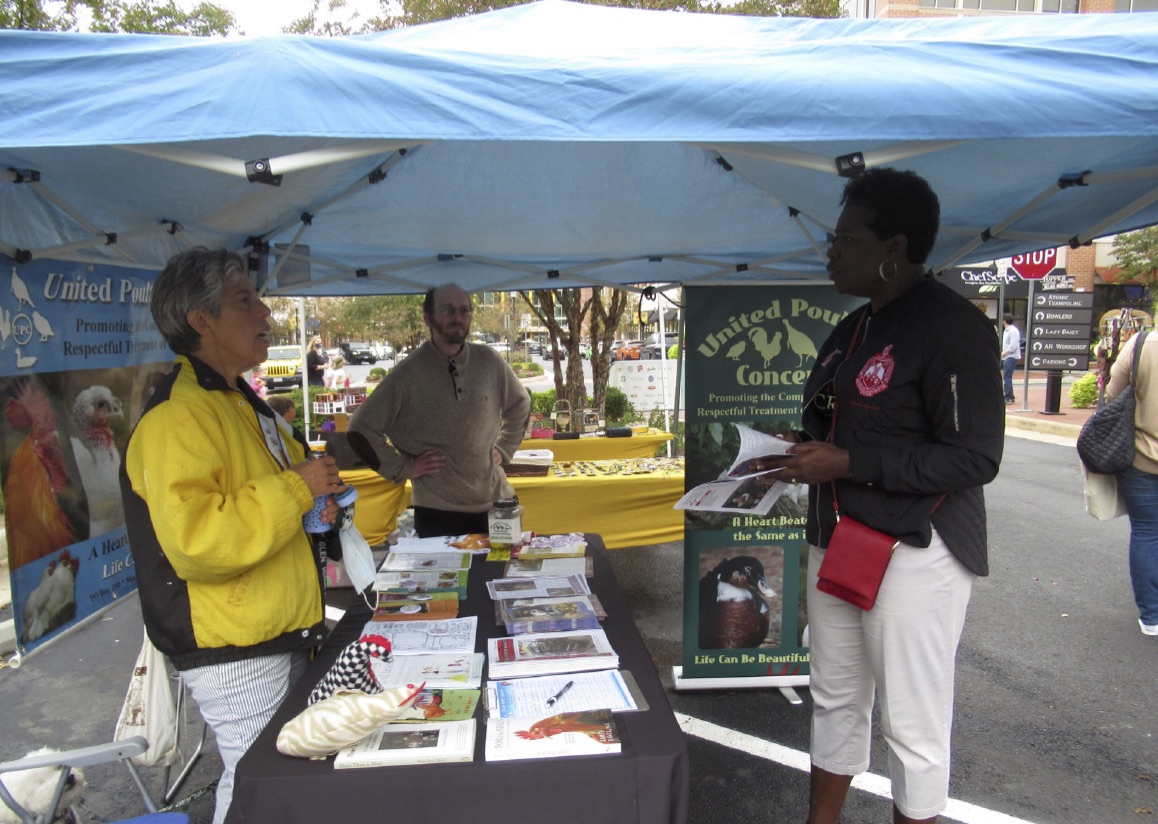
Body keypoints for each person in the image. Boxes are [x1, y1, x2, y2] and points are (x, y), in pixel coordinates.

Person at [763, 169, 1005, 824]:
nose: (831, 252)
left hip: (915, 553)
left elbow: (975, 457)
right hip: (840, 543)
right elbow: (843, 424)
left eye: (847, 239)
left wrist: (847, 461)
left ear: (893, 248)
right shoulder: (852, 329)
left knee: (911, 727)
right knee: (835, 702)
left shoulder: (952, 328)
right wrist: (801, 448)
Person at [119, 249, 343, 824]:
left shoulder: (240, 401)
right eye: (245, 301)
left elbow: (286, 494)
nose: (265, 313)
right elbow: (199, 541)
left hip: (279, 630)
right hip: (235, 647)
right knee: (257, 788)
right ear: (201, 320)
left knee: (277, 782)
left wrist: (319, 507)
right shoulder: (178, 417)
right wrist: (298, 489)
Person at [347, 283, 530, 538]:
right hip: (438, 513)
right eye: (448, 310)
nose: (458, 317)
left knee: (502, 565)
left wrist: (505, 446)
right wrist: (404, 468)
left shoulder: (489, 360)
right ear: (428, 318)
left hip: (497, 504)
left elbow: (521, 403)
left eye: (464, 310)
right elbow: (360, 431)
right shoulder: (406, 375)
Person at [1105, 329, 1158, 636]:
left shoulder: (1142, 344)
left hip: (1141, 457)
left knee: (1147, 532)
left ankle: (1151, 617)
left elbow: (1113, 393)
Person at [1000, 312, 1021, 405]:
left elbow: (1013, 345)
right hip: (1007, 356)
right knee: (1006, 376)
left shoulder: (1013, 331)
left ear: (1004, 321)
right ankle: (1009, 396)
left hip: (1011, 356)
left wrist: (1005, 352)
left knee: (1007, 377)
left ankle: (1008, 397)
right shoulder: (1006, 331)